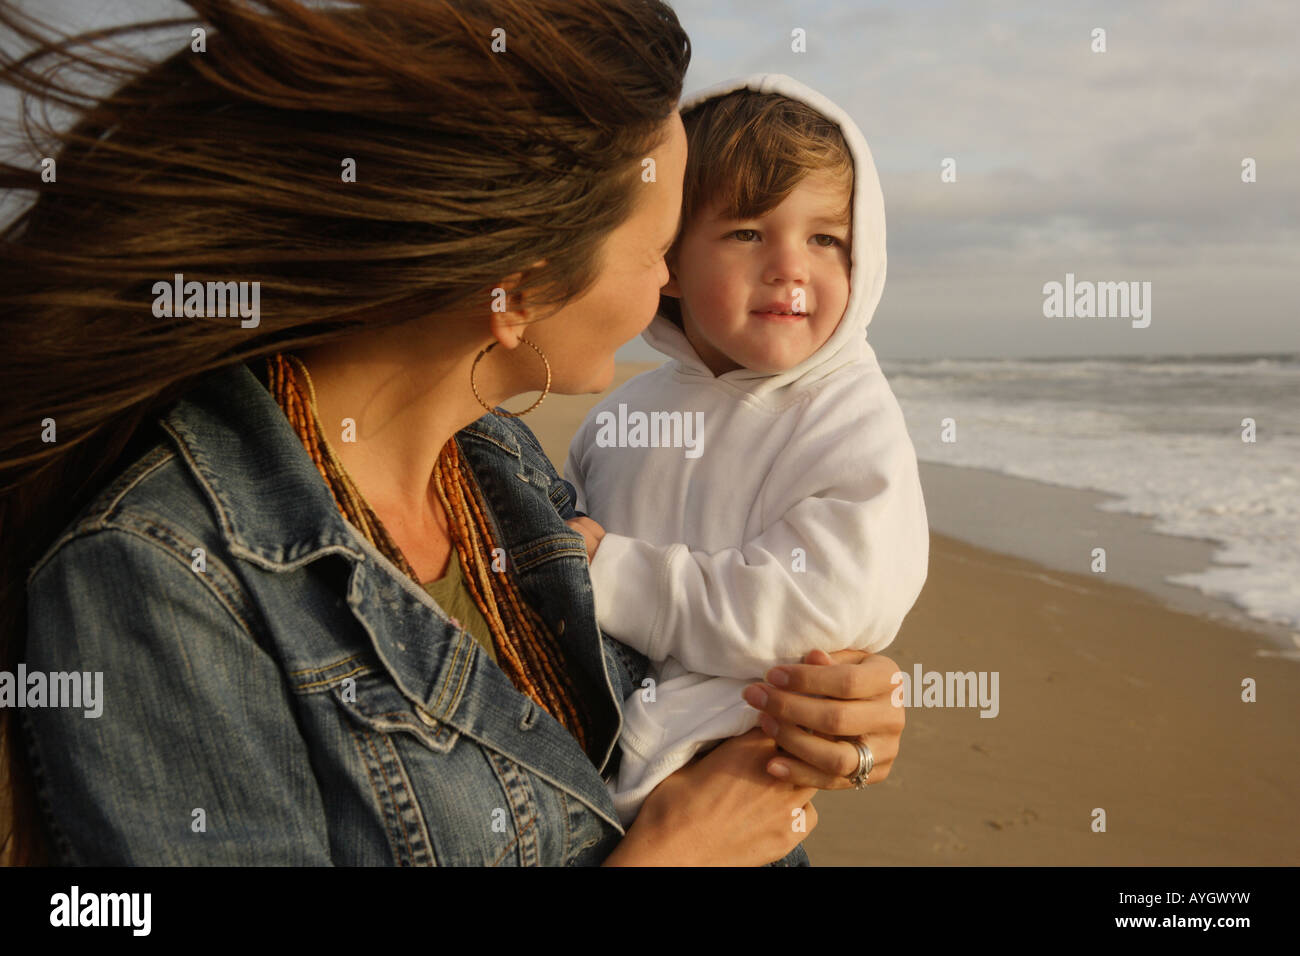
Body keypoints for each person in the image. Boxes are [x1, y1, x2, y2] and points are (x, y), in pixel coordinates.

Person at [0, 0, 906, 867]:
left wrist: (828, 716)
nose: (671, 281)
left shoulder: (498, 465)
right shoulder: (160, 578)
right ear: (520, 289)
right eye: (659, 248)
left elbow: (665, 675)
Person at [564, 74, 928, 825]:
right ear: (669, 259)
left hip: (732, 774)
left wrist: (619, 577)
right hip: (592, 753)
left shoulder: (849, 416)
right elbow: (559, 537)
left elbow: (825, 607)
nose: (790, 266)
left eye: (827, 238)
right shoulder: (623, 414)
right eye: (747, 232)